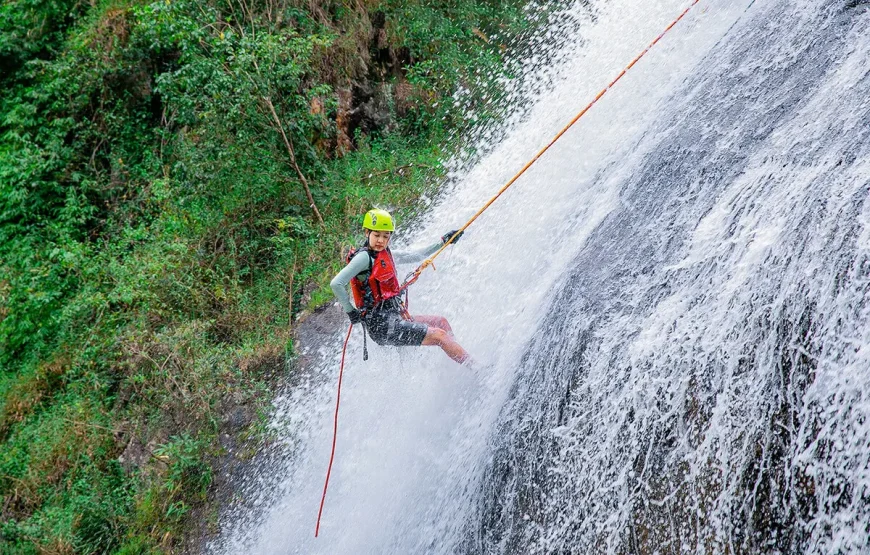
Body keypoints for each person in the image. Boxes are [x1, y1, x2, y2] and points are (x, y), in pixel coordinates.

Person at [330, 208, 471, 365]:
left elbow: (416, 256)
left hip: (394, 318)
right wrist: (350, 311)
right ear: (366, 233)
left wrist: (444, 242)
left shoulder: (386, 253)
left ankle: (460, 360)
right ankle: (477, 369)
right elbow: (336, 283)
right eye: (376, 235)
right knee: (439, 336)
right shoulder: (364, 258)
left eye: (386, 236)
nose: (381, 241)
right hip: (381, 327)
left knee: (441, 322)